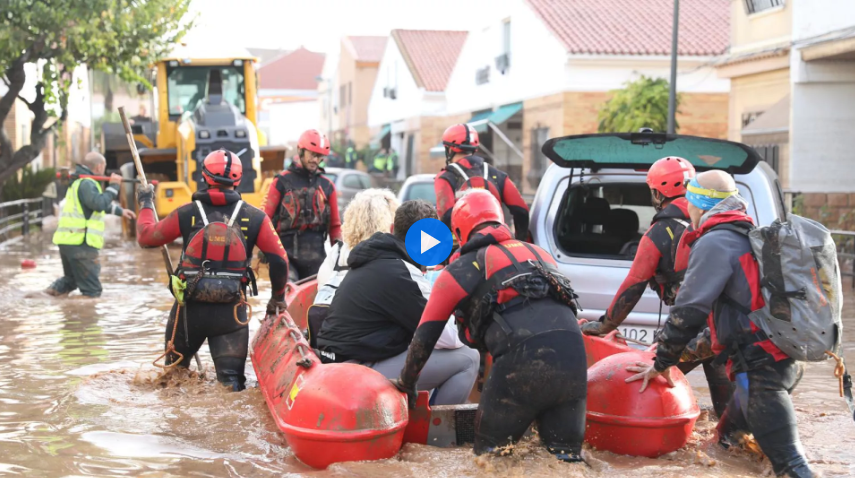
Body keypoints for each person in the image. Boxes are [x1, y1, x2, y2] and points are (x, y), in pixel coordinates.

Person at [627, 170, 813, 478]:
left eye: (689, 203)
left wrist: (662, 361)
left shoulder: (716, 242)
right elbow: (723, 321)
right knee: (725, 446)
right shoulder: (747, 234)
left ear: (699, 205)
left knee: (791, 465)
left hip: (760, 372)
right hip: (777, 361)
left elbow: (688, 310)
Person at [393, 190, 587, 462]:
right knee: (566, 461)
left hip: (521, 361)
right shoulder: (540, 254)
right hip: (574, 360)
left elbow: (424, 337)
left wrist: (407, 382)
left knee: (489, 462)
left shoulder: (460, 270)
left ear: (459, 231)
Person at [580, 157, 733, 417]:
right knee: (729, 415)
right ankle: (730, 448)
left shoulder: (659, 232)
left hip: (693, 327)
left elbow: (634, 285)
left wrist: (605, 325)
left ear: (657, 192)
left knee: (649, 380)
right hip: (726, 327)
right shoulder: (722, 225)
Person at [136, 149, 289, 391]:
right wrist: (277, 298)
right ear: (238, 180)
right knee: (231, 388)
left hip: (188, 313)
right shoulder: (255, 217)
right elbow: (280, 260)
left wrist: (145, 202)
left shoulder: (187, 213)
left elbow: (146, 237)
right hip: (231, 315)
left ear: (205, 177)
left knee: (172, 383)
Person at [316, 200, 479, 405]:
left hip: (333, 363)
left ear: (392, 229)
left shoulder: (373, 258)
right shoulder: (403, 274)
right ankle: (431, 433)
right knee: (468, 358)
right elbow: (448, 338)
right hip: (355, 373)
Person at [46, 152, 136, 298]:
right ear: (99, 167)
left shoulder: (79, 182)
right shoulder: (87, 183)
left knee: (71, 280)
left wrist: (120, 211)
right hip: (81, 242)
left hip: (68, 241)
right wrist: (114, 186)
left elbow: (94, 205)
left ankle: (41, 298)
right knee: (92, 292)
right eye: (104, 166)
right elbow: (98, 203)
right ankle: (85, 318)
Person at [263, 129, 342, 280]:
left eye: (319, 156)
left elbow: (335, 226)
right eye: (312, 154)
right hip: (286, 257)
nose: (315, 160)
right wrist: (266, 249)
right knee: (287, 296)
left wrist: (339, 257)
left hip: (317, 258)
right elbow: (264, 218)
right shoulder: (281, 182)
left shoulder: (327, 186)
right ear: (300, 151)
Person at [435, 123, 530, 241]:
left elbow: (446, 217)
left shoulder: (445, 177)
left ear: (449, 149)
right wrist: (521, 241)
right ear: (475, 148)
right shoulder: (497, 174)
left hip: (463, 249)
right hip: (498, 243)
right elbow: (521, 210)